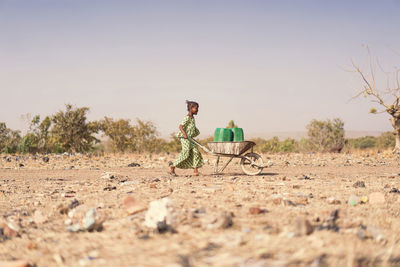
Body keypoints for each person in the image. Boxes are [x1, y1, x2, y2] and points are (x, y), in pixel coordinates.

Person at [169, 100, 204, 176]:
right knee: (186, 153)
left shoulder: (192, 118)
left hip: (190, 138)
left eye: (198, 108)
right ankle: (172, 166)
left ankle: (195, 170)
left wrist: (195, 132)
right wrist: (184, 134)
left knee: (196, 152)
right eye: (196, 108)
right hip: (185, 138)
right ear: (191, 109)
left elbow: (191, 128)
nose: (197, 110)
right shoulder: (187, 117)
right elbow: (180, 126)